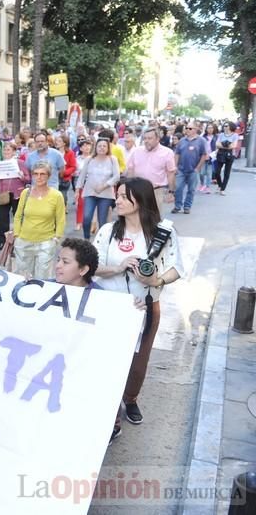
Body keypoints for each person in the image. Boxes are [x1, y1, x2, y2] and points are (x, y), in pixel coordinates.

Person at [93, 178, 183, 438]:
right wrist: (118, 267)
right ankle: (110, 419)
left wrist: (156, 280)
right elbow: (90, 265)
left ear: (140, 201)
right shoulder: (108, 231)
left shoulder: (163, 232)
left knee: (137, 363)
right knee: (107, 363)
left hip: (145, 308)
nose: (117, 200)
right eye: (117, 195)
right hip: (108, 306)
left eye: (123, 196)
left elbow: (176, 267)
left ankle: (130, 399)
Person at [9, 161, 66, 279]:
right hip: (24, 241)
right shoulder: (26, 193)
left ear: (49, 176)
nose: (39, 177)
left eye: (42, 174)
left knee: (42, 278)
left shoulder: (56, 195)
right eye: (35, 174)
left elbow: (60, 219)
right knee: (24, 277)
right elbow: (18, 215)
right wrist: (16, 235)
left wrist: (56, 238)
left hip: (46, 242)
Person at [75, 138, 120, 240]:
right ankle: (86, 239)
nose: (102, 148)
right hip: (90, 192)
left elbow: (116, 176)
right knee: (86, 218)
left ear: (108, 147)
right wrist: (78, 189)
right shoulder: (90, 159)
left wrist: (104, 185)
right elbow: (82, 175)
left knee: (102, 220)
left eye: (104, 146)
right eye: (99, 146)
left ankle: (100, 241)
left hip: (105, 194)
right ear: (96, 147)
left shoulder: (112, 159)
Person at [0, 142, 30, 251]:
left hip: (17, 193)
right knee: (3, 218)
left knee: (17, 218)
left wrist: (22, 176)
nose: (6, 152)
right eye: (4, 150)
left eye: (8, 150)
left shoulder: (20, 163)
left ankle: (17, 241)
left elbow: (28, 179)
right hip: (4, 193)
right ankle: (2, 242)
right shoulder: (0, 164)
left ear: (14, 151)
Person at [172, 122, 209, 214]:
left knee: (191, 190)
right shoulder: (182, 141)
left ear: (195, 129)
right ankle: (177, 206)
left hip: (193, 170)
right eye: (186, 128)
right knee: (178, 188)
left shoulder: (201, 141)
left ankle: (187, 206)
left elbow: (204, 155)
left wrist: (198, 168)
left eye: (190, 128)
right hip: (181, 169)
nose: (187, 130)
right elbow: (177, 154)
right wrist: (175, 166)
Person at [215, 122, 239, 195]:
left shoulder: (235, 135)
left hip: (229, 154)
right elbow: (217, 144)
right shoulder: (221, 135)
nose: (224, 127)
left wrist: (222, 145)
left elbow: (234, 146)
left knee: (226, 172)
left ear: (230, 127)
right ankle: (220, 185)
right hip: (221, 153)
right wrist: (227, 145)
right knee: (217, 172)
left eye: (226, 126)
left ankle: (222, 189)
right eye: (224, 126)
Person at [54, 134, 77, 206]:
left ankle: (63, 207)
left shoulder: (70, 153)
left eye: (59, 141)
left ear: (64, 143)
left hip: (64, 179)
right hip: (54, 178)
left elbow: (73, 166)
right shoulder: (53, 152)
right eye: (56, 141)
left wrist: (64, 172)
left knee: (62, 197)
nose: (57, 142)